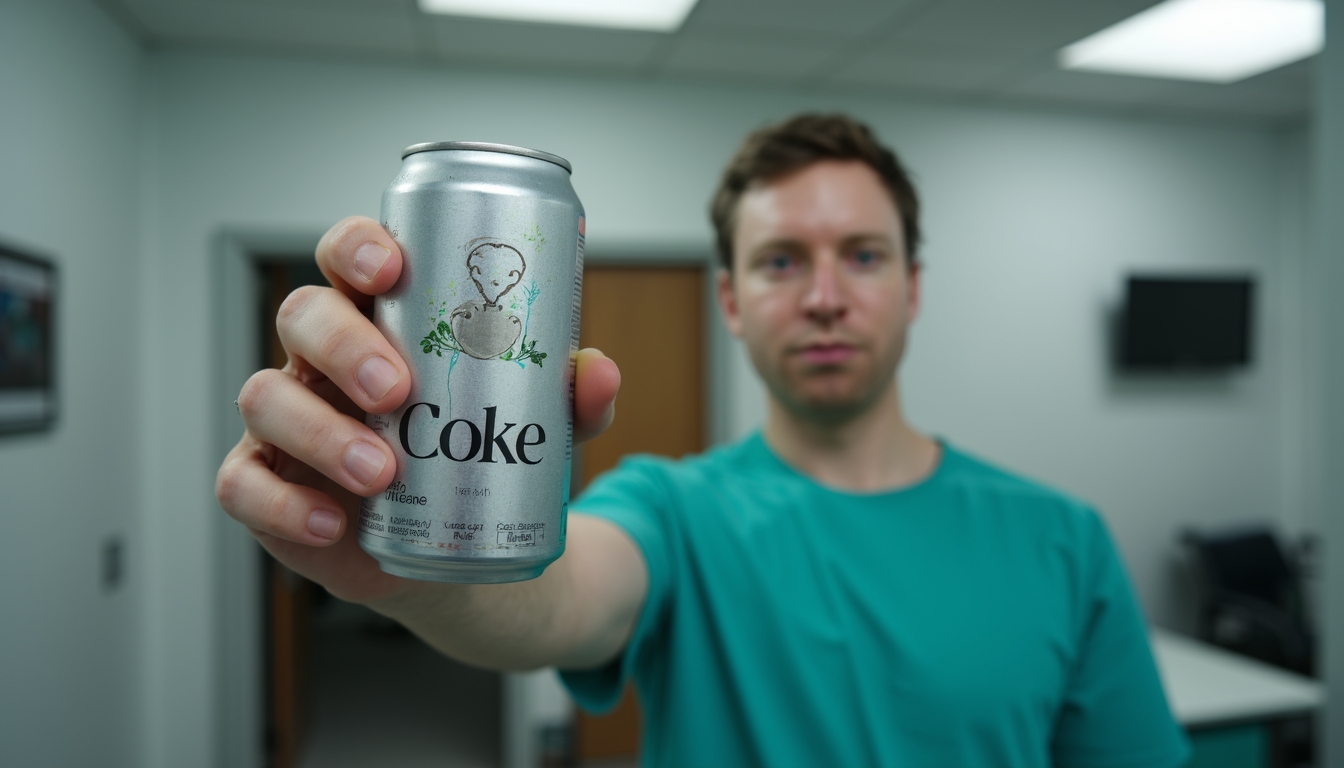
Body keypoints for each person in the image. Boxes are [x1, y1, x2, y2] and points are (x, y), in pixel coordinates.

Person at [217, 114, 1190, 767]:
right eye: (782, 261)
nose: (824, 296)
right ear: (731, 300)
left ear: (913, 287)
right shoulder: (672, 512)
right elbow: (557, 599)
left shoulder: (1064, 539)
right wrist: (412, 571)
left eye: (863, 255)